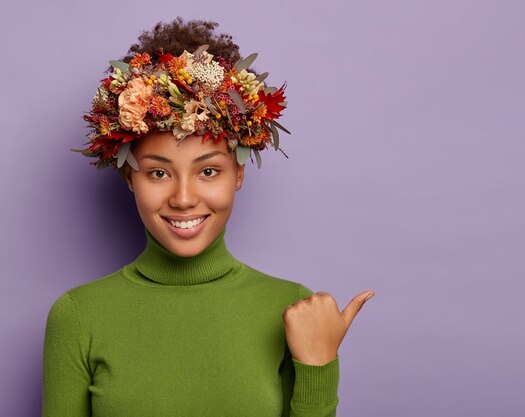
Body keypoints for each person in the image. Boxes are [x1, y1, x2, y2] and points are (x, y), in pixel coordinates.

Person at [42, 17, 375, 417]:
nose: (183, 198)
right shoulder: (78, 316)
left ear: (239, 174)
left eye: (208, 171)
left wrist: (318, 368)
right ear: (130, 176)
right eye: (158, 172)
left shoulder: (296, 309)